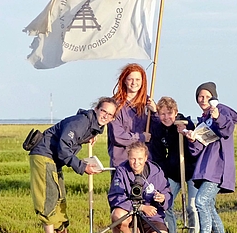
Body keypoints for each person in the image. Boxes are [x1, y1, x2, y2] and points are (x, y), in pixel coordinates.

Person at [28, 97, 117, 233]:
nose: (105, 116)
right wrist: (82, 166)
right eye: (103, 111)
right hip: (44, 155)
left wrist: (89, 137)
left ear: (112, 118)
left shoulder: (94, 127)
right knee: (48, 198)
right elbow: (63, 148)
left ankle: (61, 229)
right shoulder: (81, 122)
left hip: (54, 159)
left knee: (59, 196)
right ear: (96, 109)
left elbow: (76, 137)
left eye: (110, 114)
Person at [184, 82, 237, 233]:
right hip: (206, 168)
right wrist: (191, 139)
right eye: (200, 97)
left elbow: (228, 128)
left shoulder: (221, 111)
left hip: (219, 166)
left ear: (214, 98)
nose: (203, 100)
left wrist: (218, 117)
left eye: (207, 97)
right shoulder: (202, 121)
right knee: (208, 205)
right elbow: (196, 151)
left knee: (201, 201)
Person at [150, 96, 199, 233]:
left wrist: (185, 128)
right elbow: (158, 155)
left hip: (192, 172)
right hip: (172, 172)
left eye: (169, 113)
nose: (166, 117)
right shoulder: (159, 129)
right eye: (162, 114)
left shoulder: (182, 122)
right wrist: (163, 174)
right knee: (165, 204)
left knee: (192, 207)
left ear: (176, 112)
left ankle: (193, 231)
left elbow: (190, 125)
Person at [108, 141, 172, 233]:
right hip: (129, 211)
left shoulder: (156, 172)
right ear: (128, 157)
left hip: (151, 216)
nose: (136, 162)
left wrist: (163, 198)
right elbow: (116, 197)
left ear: (146, 158)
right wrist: (139, 207)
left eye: (140, 159)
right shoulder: (121, 171)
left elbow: (167, 194)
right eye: (133, 159)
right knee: (117, 215)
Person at [107, 63, 157, 170]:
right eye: (130, 79)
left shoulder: (148, 103)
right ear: (124, 80)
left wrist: (155, 112)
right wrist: (141, 137)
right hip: (121, 161)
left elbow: (158, 130)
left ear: (143, 82)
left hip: (143, 161)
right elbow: (117, 136)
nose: (134, 83)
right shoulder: (115, 104)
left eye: (138, 80)